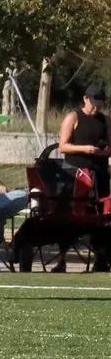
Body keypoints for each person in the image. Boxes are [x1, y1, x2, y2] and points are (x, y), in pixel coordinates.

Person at [55, 82, 110, 272]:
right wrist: (84, 149)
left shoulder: (105, 120)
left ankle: (101, 259)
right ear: (85, 99)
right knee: (72, 216)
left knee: (101, 217)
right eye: (94, 102)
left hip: (100, 174)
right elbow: (63, 146)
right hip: (76, 174)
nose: (97, 106)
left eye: (100, 102)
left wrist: (105, 152)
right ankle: (61, 259)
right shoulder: (73, 117)